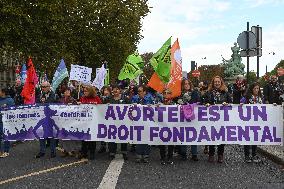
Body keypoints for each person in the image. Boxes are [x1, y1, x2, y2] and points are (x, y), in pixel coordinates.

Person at [204, 76, 232, 163]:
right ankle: (211, 154)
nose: (217, 83)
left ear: (221, 82)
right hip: (211, 119)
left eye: (218, 82)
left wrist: (226, 103)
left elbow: (231, 103)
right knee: (211, 136)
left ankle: (220, 154)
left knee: (221, 136)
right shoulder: (208, 93)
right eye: (215, 82)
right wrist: (206, 104)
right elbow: (202, 101)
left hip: (222, 119)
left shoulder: (225, 93)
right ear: (213, 83)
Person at [176, 79, 200, 161]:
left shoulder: (194, 93)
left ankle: (194, 154)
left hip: (193, 117)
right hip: (182, 117)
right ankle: (183, 153)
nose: (186, 85)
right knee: (183, 135)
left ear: (190, 84)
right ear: (182, 85)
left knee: (193, 134)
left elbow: (198, 102)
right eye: (184, 84)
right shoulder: (179, 94)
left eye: (188, 83)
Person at [240, 82, 263, 163]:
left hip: (257, 122)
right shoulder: (246, 97)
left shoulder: (260, 98)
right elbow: (240, 103)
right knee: (247, 138)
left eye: (258, 88)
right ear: (251, 89)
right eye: (255, 88)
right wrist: (241, 104)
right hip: (248, 121)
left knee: (255, 139)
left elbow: (265, 107)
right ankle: (247, 156)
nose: (256, 90)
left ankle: (254, 154)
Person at [35, 81, 58, 158]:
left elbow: (57, 106)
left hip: (51, 119)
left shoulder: (54, 95)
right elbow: (36, 104)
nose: (43, 88)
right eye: (42, 87)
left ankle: (53, 151)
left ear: (49, 87)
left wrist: (46, 102)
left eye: (44, 87)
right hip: (42, 118)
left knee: (51, 136)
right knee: (42, 135)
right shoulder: (40, 95)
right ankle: (42, 151)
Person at [78, 85, 102, 160]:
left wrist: (97, 105)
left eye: (86, 91)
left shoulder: (96, 98)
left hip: (93, 122)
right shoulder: (83, 98)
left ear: (90, 91)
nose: (84, 92)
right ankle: (84, 153)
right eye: (84, 91)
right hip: (84, 122)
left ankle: (92, 153)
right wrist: (78, 105)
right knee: (84, 138)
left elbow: (102, 108)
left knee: (92, 138)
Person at [132, 85, 153, 163]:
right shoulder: (135, 98)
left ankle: (146, 155)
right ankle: (139, 154)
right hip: (138, 121)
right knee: (138, 137)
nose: (138, 93)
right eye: (138, 91)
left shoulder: (150, 98)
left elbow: (154, 107)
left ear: (144, 92)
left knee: (146, 138)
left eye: (140, 91)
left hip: (147, 121)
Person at [108, 85, 129, 160]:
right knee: (112, 136)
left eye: (117, 89)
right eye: (113, 89)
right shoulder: (109, 98)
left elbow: (130, 107)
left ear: (120, 90)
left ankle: (124, 152)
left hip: (123, 121)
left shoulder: (125, 98)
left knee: (123, 136)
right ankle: (112, 152)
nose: (115, 91)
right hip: (112, 121)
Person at [58, 88, 80, 157]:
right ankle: (64, 150)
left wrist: (78, 104)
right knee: (63, 136)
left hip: (71, 121)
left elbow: (77, 109)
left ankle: (73, 150)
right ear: (63, 92)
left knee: (71, 136)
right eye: (66, 91)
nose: (67, 92)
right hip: (62, 121)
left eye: (68, 91)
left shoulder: (73, 100)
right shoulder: (60, 100)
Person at [159, 88, 175, 165]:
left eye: (168, 93)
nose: (166, 94)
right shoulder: (159, 103)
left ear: (170, 94)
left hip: (171, 126)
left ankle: (170, 157)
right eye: (164, 93)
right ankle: (162, 157)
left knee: (171, 142)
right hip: (162, 126)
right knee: (162, 142)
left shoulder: (174, 104)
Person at [0, 87, 15, 158]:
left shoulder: (10, 100)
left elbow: (12, 111)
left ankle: (6, 151)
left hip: (5, 122)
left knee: (6, 137)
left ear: (3, 92)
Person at [97, 86, 112, 154]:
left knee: (109, 132)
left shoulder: (111, 97)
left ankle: (110, 147)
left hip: (110, 117)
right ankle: (103, 146)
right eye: (104, 90)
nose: (105, 91)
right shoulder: (101, 97)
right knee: (103, 131)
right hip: (102, 116)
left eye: (107, 90)